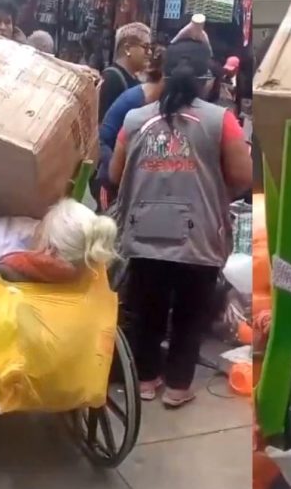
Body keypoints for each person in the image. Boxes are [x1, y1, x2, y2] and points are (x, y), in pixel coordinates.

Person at [108, 38, 253, 407]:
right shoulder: (221, 120)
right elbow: (241, 175)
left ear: (163, 75)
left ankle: (144, 380)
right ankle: (177, 387)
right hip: (199, 236)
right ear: (206, 79)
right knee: (189, 316)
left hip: (143, 234)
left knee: (147, 311)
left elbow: (115, 172)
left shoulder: (135, 119)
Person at [95, 46, 165, 209]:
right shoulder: (133, 100)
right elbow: (101, 140)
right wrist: (117, 169)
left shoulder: (164, 102)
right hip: (112, 186)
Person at [98, 22, 151, 123]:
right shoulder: (111, 79)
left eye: (150, 48)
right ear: (127, 49)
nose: (149, 53)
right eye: (146, 47)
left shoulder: (135, 78)